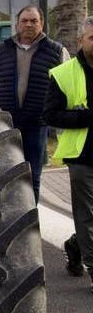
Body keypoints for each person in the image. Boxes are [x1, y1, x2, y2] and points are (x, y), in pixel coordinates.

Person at [0, 5, 70, 200]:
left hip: (37, 123)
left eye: (34, 21)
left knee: (33, 174)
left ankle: (31, 218)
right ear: (16, 24)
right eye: (24, 21)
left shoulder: (56, 51)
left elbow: (67, 84)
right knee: (5, 173)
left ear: (42, 24)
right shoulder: (3, 48)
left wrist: (53, 106)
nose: (29, 24)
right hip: (6, 123)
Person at [44, 17, 93, 288]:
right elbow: (50, 115)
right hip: (82, 155)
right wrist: (85, 118)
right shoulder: (63, 74)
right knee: (86, 215)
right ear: (81, 41)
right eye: (92, 38)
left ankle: (76, 247)